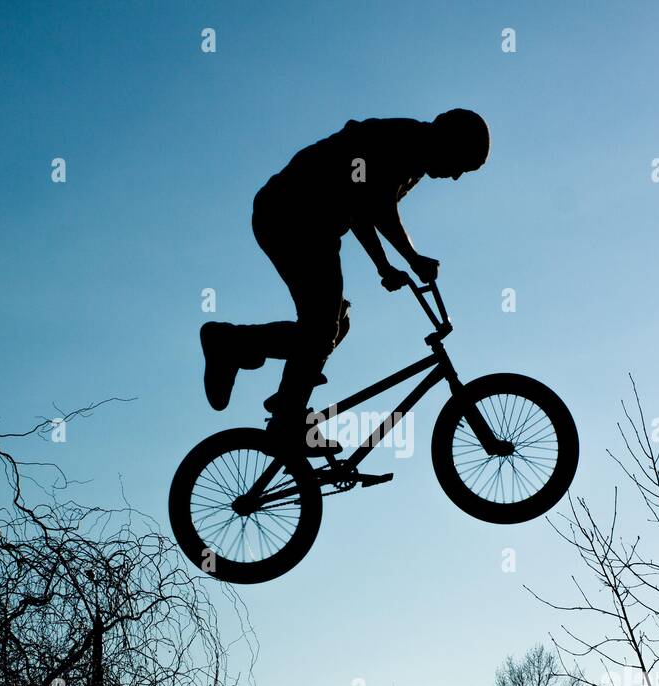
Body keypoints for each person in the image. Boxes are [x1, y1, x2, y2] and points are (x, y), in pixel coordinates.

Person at [199, 109, 490, 453]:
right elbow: (377, 203)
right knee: (322, 328)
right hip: (292, 214)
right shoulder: (404, 141)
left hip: (309, 224)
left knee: (335, 323)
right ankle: (237, 352)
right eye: (461, 164)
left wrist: (384, 266)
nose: (456, 177)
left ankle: (282, 404)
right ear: (449, 141)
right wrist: (412, 259)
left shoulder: (412, 163)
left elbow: (362, 209)